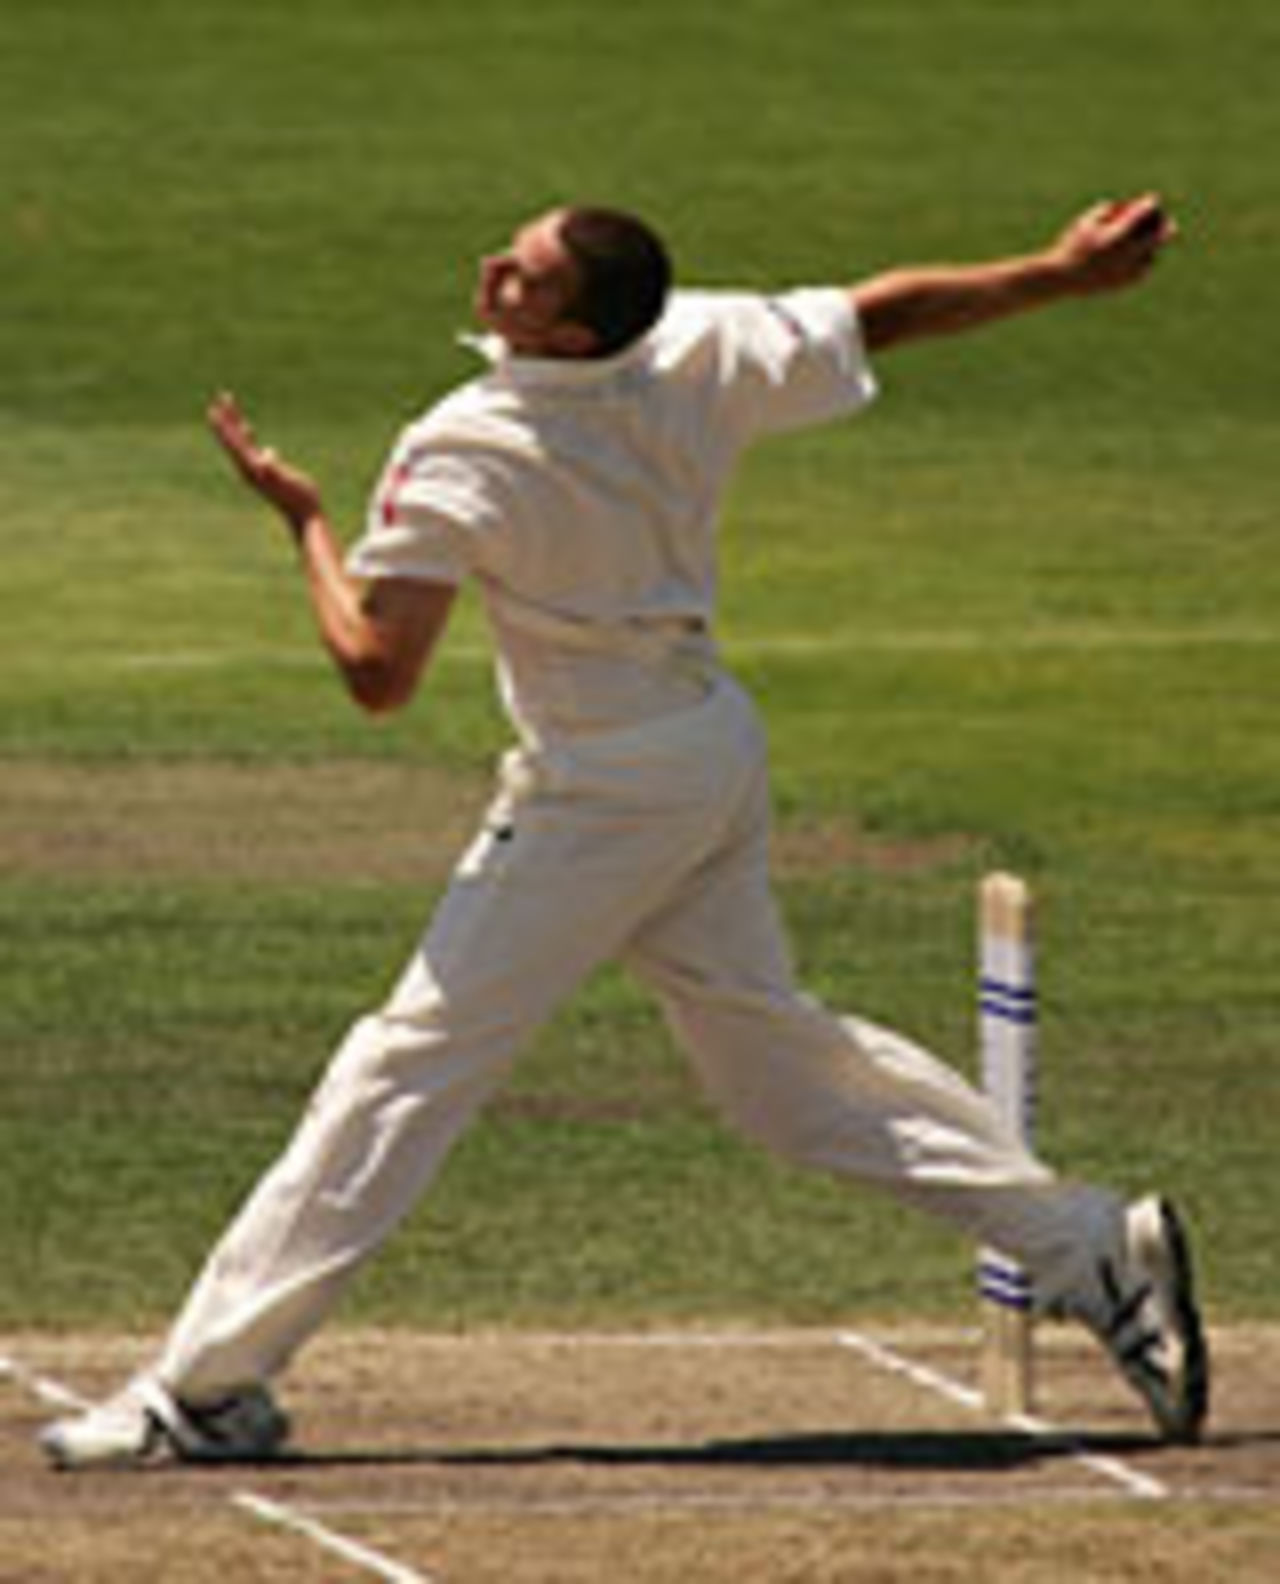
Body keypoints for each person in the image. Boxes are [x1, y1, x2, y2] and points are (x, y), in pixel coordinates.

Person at [42, 195, 1207, 1469]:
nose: (494, 267)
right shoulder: (693, 344)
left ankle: (202, 1387)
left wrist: (308, 527)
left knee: (405, 1065)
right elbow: (882, 311)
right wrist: (1055, 272)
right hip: (703, 746)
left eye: (525, 275)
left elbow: (378, 672)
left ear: (574, 328)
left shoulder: (467, 444)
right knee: (773, 1071)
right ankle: (1088, 1246)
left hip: (601, 792)